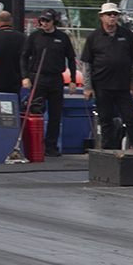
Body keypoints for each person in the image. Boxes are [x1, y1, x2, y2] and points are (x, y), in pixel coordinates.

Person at [81, 2, 133, 150]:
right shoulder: (94, 37)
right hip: (102, 85)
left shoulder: (126, 34)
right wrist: (87, 87)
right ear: (102, 16)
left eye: (115, 14)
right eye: (109, 14)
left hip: (122, 86)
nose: (112, 17)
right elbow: (86, 64)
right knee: (105, 119)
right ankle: (107, 149)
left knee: (130, 118)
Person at [20, 9, 78, 157]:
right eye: (42, 21)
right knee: (36, 111)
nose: (44, 23)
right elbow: (24, 57)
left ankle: (50, 146)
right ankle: (33, 145)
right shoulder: (34, 36)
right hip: (38, 77)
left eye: (47, 21)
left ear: (54, 22)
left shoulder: (63, 37)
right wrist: (25, 77)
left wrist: (72, 80)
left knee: (55, 114)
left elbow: (71, 59)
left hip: (56, 79)